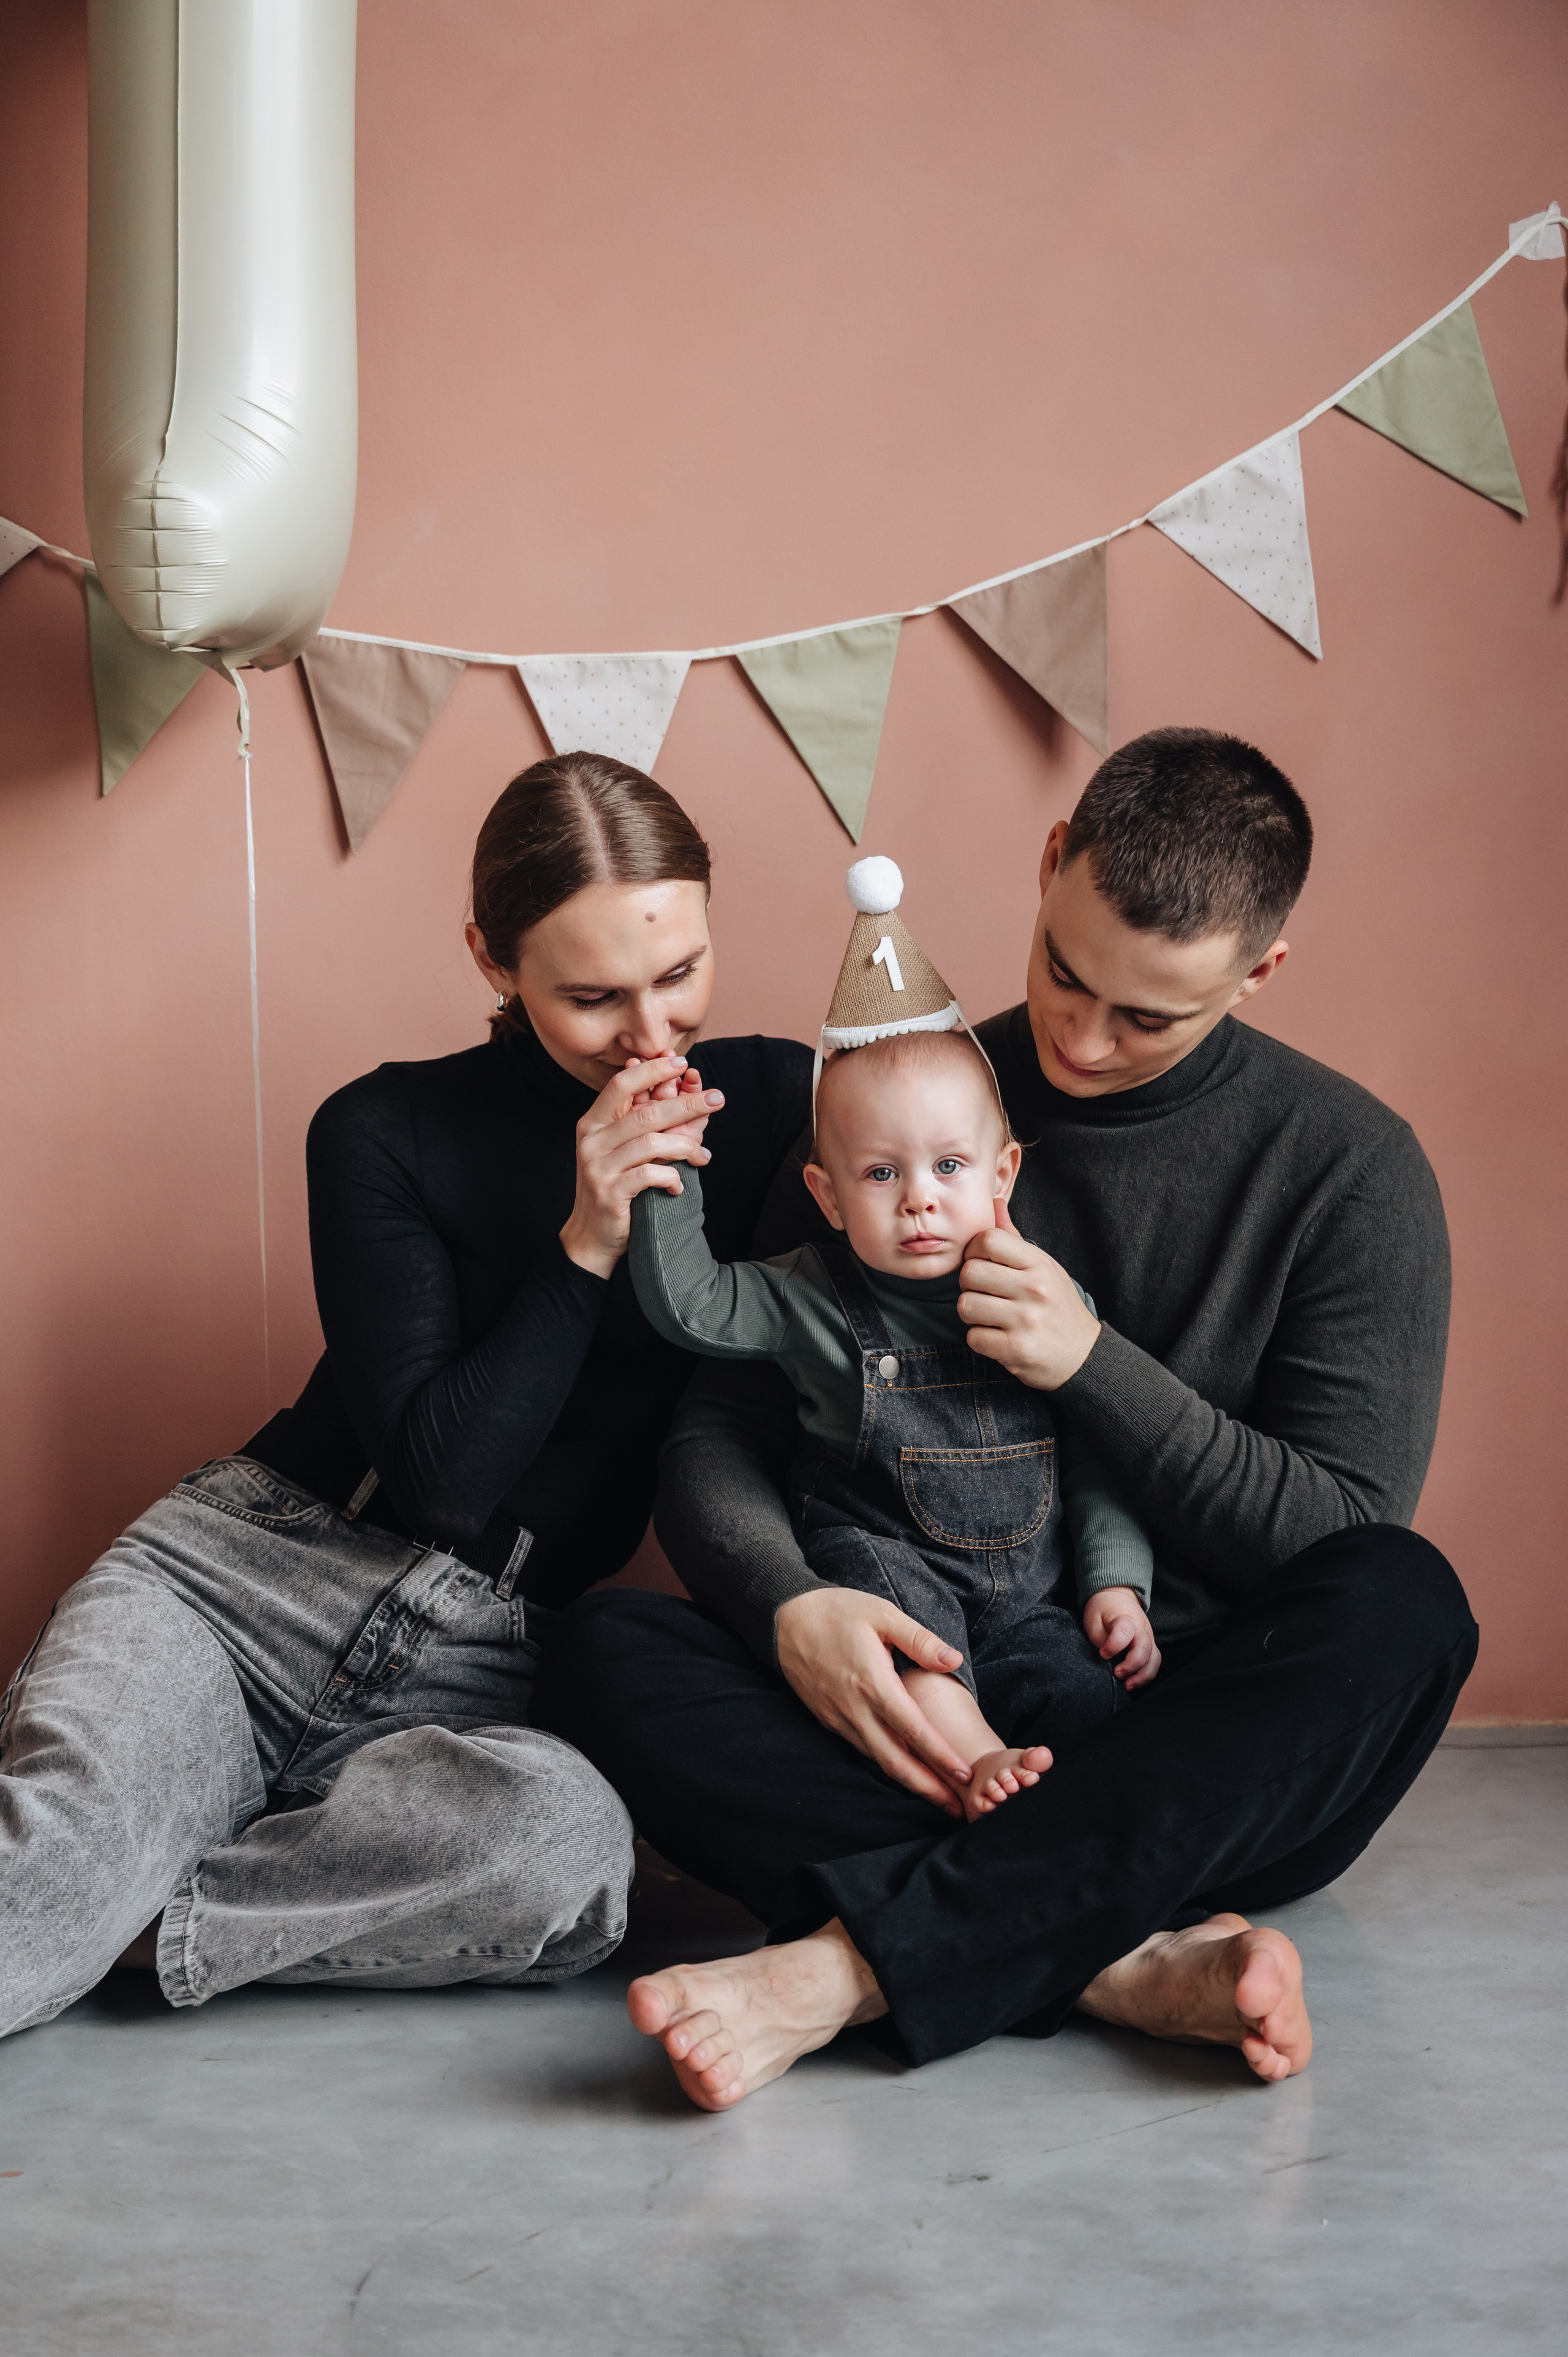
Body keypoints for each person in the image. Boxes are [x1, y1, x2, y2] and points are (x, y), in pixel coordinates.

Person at [535, 726, 1479, 2111]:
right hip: (922, 1715)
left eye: (1146, 1016)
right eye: (1062, 971)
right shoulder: (892, 1102)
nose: (1080, 1039)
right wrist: (792, 1606)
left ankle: (854, 1965)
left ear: (1257, 971)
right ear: (1049, 869)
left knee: (1405, 1602)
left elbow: (1331, 1535)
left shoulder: (1350, 1171)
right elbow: (713, 1436)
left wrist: (1092, 1361)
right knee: (601, 1648)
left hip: (1177, 1727)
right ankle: (1120, 1953)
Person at [0, 752, 809, 2038]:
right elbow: (443, 1478)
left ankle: (146, 1918)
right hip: (241, 1586)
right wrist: (588, 1233)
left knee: (565, 1859)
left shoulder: (773, 1104)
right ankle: (89, 1886)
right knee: (33, 1894)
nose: (652, 1037)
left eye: (678, 975)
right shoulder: (381, 1128)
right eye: (594, 996)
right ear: (493, 959)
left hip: (488, 1668)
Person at [627, 862, 1158, 1823]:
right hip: (886, 1569)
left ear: (1001, 1175)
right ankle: (973, 1771)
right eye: (879, 1174)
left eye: (948, 1166)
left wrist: (1120, 1582)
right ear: (827, 1195)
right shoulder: (807, 1294)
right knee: (912, 1651)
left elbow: (1097, 1455)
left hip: (1030, 1596)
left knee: (1090, 1697)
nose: (918, 1196)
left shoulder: (1046, 1299)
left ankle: (1049, 1809)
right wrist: (668, 1173)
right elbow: (693, 1307)